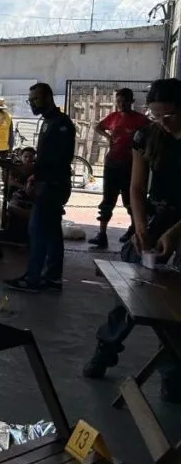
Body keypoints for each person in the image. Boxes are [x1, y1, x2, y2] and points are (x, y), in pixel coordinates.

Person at [82, 78, 181, 401]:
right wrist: (140, 227)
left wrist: (175, 232)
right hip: (154, 219)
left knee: (173, 309)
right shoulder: (146, 136)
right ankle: (105, 350)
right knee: (130, 295)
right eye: (155, 116)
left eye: (169, 116)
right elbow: (137, 188)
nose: (163, 123)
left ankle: (171, 374)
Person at [4, 83, 76, 292]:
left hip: (54, 185)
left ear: (48, 98)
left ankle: (33, 278)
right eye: (30, 100)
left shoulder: (61, 124)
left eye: (35, 99)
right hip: (46, 182)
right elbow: (45, 157)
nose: (32, 103)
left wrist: (32, 169)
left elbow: (60, 160)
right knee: (52, 232)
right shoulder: (47, 122)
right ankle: (52, 278)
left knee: (37, 231)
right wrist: (34, 173)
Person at [89, 88, 149, 249]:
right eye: (119, 101)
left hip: (131, 166)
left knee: (130, 201)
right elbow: (98, 127)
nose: (121, 104)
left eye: (124, 101)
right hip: (112, 164)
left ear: (131, 102)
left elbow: (152, 134)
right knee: (108, 200)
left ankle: (135, 231)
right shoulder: (113, 117)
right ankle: (102, 234)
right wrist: (109, 137)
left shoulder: (141, 120)